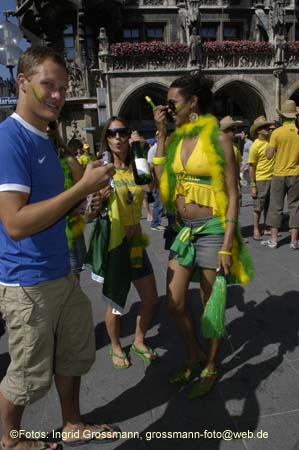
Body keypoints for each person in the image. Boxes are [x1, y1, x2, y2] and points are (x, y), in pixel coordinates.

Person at [0, 46, 118, 450]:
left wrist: (88, 202)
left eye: (64, 88)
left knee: (73, 355)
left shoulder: (48, 141)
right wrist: (82, 188)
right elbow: (15, 224)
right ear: (23, 83)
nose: (57, 95)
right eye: (47, 85)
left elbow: (60, 215)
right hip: (28, 283)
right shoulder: (9, 139)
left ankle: (71, 423)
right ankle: (11, 441)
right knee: (26, 375)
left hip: (61, 273)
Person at [153, 74, 253, 399]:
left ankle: (210, 365)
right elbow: (160, 181)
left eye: (172, 104)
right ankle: (193, 353)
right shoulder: (177, 138)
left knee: (211, 307)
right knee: (175, 302)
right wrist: (161, 133)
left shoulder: (219, 138)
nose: (167, 109)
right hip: (184, 230)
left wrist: (227, 244)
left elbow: (234, 194)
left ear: (192, 103)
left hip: (212, 228)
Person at [93, 117, 159, 369]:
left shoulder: (136, 165)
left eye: (122, 132)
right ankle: (116, 345)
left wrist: (142, 150)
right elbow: (87, 212)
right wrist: (98, 199)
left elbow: (151, 189)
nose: (118, 138)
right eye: (112, 133)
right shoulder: (101, 170)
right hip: (115, 246)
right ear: (106, 139)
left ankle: (139, 340)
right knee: (117, 304)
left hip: (136, 245)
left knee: (151, 300)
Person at [46, 121, 87, 279]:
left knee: (71, 280)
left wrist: (75, 206)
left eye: (52, 125)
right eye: (44, 124)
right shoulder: (29, 156)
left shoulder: (68, 160)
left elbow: (84, 190)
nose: (48, 128)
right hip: (40, 230)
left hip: (68, 228)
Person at [262, 100, 299, 249]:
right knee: (295, 207)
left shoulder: (277, 132)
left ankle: (273, 240)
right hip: (296, 174)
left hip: (279, 174)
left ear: (283, 116)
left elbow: (269, 155)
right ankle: (294, 241)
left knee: (275, 206)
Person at [248, 116, 275, 240]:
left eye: (267, 127)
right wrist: (253, 185)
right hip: (261, 179)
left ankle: (267, 228)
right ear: (258, 131)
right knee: (257, 207)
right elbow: (251, 166)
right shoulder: (255, 145)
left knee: (269, 206)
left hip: (273, 178)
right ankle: (256, 229)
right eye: (264, 127)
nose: (267, 129)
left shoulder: (271, 141)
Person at [147, 138, 165, 231]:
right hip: (158, 181)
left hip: (162, 181)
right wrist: (154, 181)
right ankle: (155, 224)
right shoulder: (154, 149)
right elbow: (151, 166)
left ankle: (157, 223)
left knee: (161, 203)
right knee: (158, 204)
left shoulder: (161, 148)